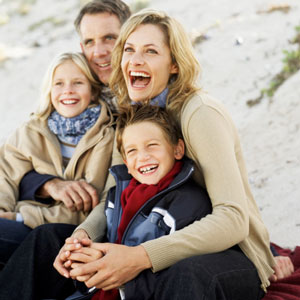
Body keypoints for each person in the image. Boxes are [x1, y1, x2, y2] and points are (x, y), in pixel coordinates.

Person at [54, 9, 276, 300]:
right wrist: (82, 239)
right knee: (51, 239)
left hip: (231, 256)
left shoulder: (199, 113)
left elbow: (233, 219)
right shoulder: (133, 114)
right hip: (158, 240)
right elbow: (115, 197)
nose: (135, 60)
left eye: (151, 51)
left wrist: (141, 256)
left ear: (174, 64)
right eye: (129, 50)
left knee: (185, 273)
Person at [0, 0, 131, 264]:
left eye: (109, 38)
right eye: (91, 42)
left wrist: (21, 215)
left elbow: (103, 202)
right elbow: (8, 172)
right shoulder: (35, 128)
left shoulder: (115, 127)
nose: (100, 51)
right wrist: (47, 186)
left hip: (79, 235)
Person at [66, 104, 212, 299]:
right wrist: (85, 264)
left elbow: (176, 278)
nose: (143, 157)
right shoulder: (117, 196)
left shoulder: (187, 203)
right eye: (132, 151)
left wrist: (114, 276)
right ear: (125, 162)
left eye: (152, 145)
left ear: (178, 150)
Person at [0, 51, 114, 262]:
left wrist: (20, 216)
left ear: (94, 90)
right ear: (49, 90)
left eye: (78, 82)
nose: (67, 91)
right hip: (14, 224)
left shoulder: (107, 138)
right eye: (59, 83)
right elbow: (4, 176)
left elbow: (88, 208)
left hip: (67, 236)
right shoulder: (31, 131)